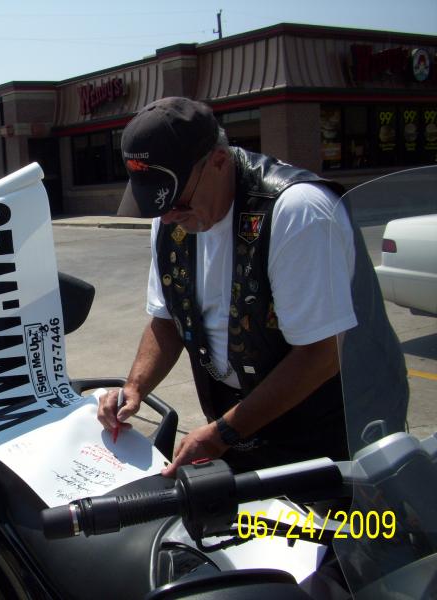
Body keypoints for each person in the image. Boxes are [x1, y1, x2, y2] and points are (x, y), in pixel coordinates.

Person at [97, 97, 407, 478]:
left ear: (219, 161)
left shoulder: (296, 211)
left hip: (335, 421)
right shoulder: (173, 219)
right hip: (245, 420)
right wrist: (134, 388)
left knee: (341, 533)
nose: (169, 217)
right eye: (156, 205)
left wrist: (223, 432)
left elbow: (319, 356)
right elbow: (167, 322)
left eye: (178, 201)